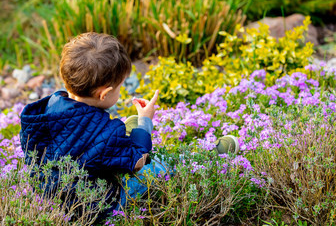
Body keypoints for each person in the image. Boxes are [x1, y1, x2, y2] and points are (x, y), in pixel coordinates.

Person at [19, 32, 239, 221]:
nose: (121, 91)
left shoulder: (46, 109)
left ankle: (128, 133)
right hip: (99, 210)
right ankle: (206, 155)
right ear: (104, 94)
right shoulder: (103, 134)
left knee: (112, 144)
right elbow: (137, 160)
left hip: (56, 204)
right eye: (120, 87)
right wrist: (145, 121)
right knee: (156, 168)